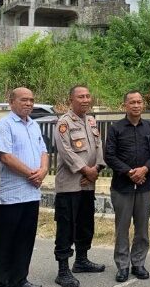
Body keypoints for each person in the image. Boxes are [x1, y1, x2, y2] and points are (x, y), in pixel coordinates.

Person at [0, 87, 48, 287]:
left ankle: (19, 279)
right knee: (4, 242)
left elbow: (44, 151)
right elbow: (5, 156)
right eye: (24, 100)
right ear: (11, 102)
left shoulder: (34, 125)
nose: (29, 103)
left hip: (31, 194)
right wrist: (32, 174)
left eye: (31, 100)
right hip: (9, 196)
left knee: (25, 240)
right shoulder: (4, 125)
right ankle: (1, 282)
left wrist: (43, 171)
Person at [105, 91, 150, 283]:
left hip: (145, 185)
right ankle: (123, 266)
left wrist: (144, 169)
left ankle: (138, 263)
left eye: (139, 102)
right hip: (122, 186)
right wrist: (130, 173)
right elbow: (110, 156)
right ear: (125, 106)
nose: (136, 105)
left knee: (142, 228)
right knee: (122, 227)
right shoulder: (115, 128)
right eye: (132, 102)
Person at [53, 85, 106, 287]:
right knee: (66, 227)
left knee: (85, 224)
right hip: (70, 185)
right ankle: (63, 270)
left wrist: (97, 169)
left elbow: (99, 146)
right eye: (80, 97)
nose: (85, 100)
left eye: (87, 96)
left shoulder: (91, 120)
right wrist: (86, 170)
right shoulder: (64, 123)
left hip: (88, 184)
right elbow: (65, 151)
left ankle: (81, 261)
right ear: (71, 100)